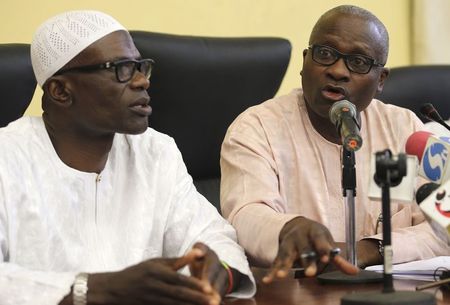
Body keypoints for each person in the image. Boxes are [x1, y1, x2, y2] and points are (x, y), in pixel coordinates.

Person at [0, 10, 255, 305]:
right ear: (60, 90)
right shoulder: (8, 157)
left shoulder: (155, 152)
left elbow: (213, 235)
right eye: (120, 68)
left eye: (140, 67)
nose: (141, 82)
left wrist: (218, 271)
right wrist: (95, 290)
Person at [220, 5, 450, 282]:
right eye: (326, 54)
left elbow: (443, 227)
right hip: (296, 292)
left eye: (359, 61)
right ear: (305, 62)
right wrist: (289, 229)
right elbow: (244, 215)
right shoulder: (257, 128)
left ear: (381, 80)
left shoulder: (402, 129)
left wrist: (369, 248)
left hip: (391, 293)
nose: (338, 71)